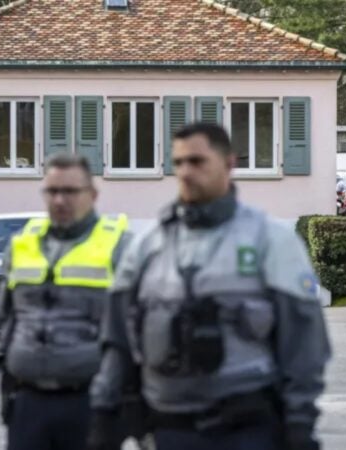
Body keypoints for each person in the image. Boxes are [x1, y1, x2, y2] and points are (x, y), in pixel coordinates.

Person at [87, 123, 332, 450]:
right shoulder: (147, 246)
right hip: (166, 430)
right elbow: (118, 339)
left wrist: (300, 423)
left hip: (248, 430)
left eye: (197, 161)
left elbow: (304, 343)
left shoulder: (270, 241)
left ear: (229, 163)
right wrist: (105, 414)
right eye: (178, 163)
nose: (185, 172)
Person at [0, 153, 133, 450]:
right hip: (27, 401)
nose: (59, 200)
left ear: (92, 194)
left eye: (70, 191)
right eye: (52, 191)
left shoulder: (119, 246)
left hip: (90, 402)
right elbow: (6, 317)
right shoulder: (21, 244)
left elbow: (131, 334)